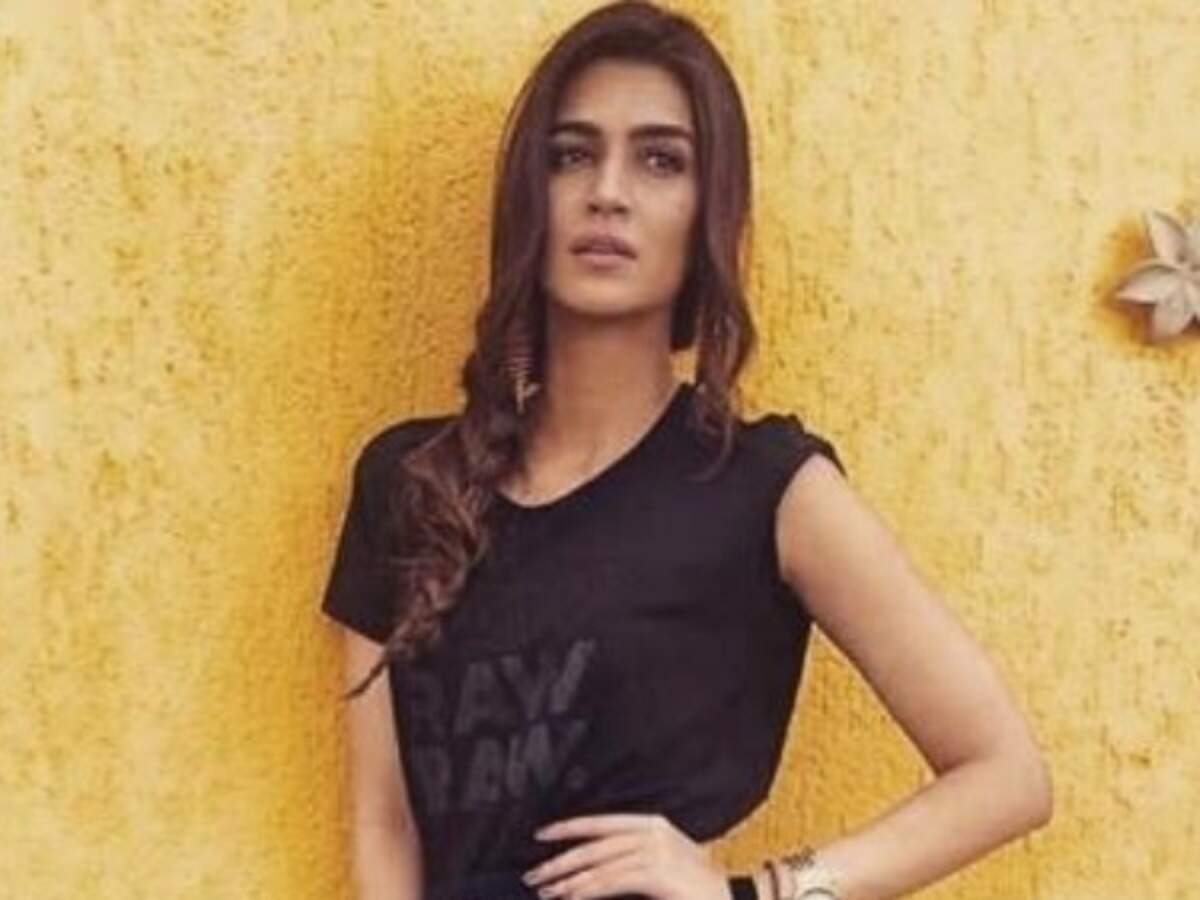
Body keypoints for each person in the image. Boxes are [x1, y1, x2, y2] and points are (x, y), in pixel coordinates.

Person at [319, 3, 1053, 899]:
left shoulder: (765, 489)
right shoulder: (413, 483)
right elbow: (386, 821)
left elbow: (1007, 776)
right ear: (528, 195)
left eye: (660, 160)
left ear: (709, 208)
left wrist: (759, 892)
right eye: (571, 155)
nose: (608, 191)